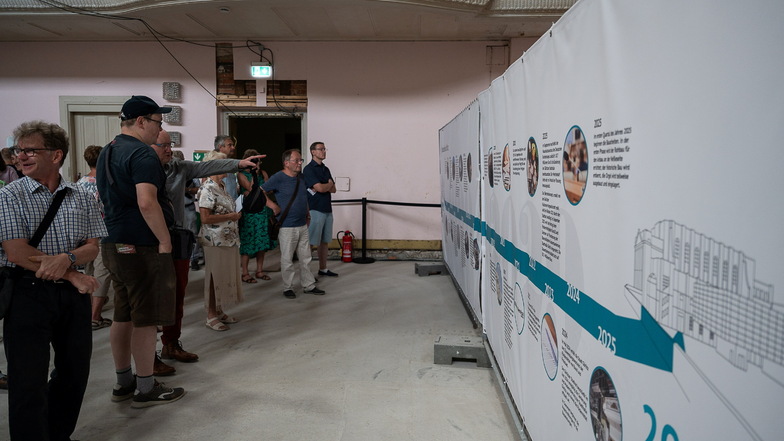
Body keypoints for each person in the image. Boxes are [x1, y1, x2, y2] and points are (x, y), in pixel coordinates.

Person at [0, 120, 105, 440]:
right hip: (26, 294)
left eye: (31, 150)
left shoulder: (82, 195)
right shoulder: (9, 196)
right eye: (19, 150)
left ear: (56, 155)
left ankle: (58, 434)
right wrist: (72, 273)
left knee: (74, 373)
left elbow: (92, 246)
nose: (21, 156)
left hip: (71, 300)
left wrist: (68, 259)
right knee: (27, 379)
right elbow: (16, 251)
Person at [96, 95, 185, 408]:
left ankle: (124, 381)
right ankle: (146, 388)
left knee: (124, 315)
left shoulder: (108, 150)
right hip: (140, 244)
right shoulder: (142, 154)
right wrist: (164, 240)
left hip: (112, 243)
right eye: (158, 122)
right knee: (146, 319)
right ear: (141, 121)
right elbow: (146, 202)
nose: (160, 129)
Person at [150, 131, 263, 367]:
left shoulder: (180, 168)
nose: (169, 150)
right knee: (154, 297)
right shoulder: (143, 169)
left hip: (179, 235)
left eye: (171, 145)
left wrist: (240, 164)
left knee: (178, 293)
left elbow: (213, 165)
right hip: (153, 239)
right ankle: (150, 355)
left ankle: (171, 343)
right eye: (164, 146)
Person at [262, 149, 324, 299]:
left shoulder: (301, 178)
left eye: (300, 160)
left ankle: (308, 285)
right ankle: (287, 287)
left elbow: (304, 197)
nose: (299, 163)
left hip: (302, 224)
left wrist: (307, 212)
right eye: (296, 160)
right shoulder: (278, 178)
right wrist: (273, 206)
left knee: (306, 257)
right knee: (287, 259)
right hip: (287, 226)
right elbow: (260, 191)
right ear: (286, 163)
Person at [197, 151, 244, 331]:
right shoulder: (208, 187)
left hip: (228, 239)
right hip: (215, 240)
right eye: (225, 163)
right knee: (213, 277)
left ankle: (218, 310)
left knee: (222, 277)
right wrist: (231, 216)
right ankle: (210, 316)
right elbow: (205, 218)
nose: (228, 167)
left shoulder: (222, 185)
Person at [76, 144, 115, 331]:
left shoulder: (78, 183)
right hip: (102, 233)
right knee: (103, 273)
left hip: (83, 234)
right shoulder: (104, 183)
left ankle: (86, 311)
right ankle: (94, 316)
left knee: (89, 272)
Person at [237, 148, 278, 283]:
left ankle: (260, 270)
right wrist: (254, 173)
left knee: (262, 242)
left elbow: (267, 189)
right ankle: (245, 273)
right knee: (248, 242)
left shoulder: (263, 173)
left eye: (258, 161)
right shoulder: (241, 174)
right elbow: (251, 188)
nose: (257, 163)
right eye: (253, 161)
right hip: (249, 213)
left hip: (262, 211)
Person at [302, 142, 338, 278]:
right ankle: (306, 272)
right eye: (320, 149)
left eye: (324, 149)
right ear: (313, 152)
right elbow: (321, 188)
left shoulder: (326, 169)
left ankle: (323, 268)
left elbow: (333, 189)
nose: (324, 151)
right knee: (311, 241)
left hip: (327, 208)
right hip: (315, 209)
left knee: (324, 241)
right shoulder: (309, 169)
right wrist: (328, 184)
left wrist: (327, 186)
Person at [214, 135, 239, 200]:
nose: (233, 147)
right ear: (220, 147)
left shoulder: (231, 164)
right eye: (229, 145)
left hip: (232, 205)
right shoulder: (212, 164)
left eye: (233, 145)